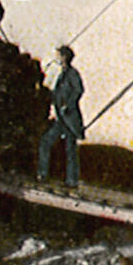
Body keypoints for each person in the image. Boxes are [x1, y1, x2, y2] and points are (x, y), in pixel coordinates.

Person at [37, 45, 85, 187]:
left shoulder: (72, 74)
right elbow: (58, 94)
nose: (57, 57)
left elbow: (78, 90)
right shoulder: (64, 73)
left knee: (68, 149)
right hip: (62, 118)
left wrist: (67, 105)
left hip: (68, 119)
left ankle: (70, 180)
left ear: (64, 57)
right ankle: (45, 174)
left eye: (59, 55)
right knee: (49, 143)